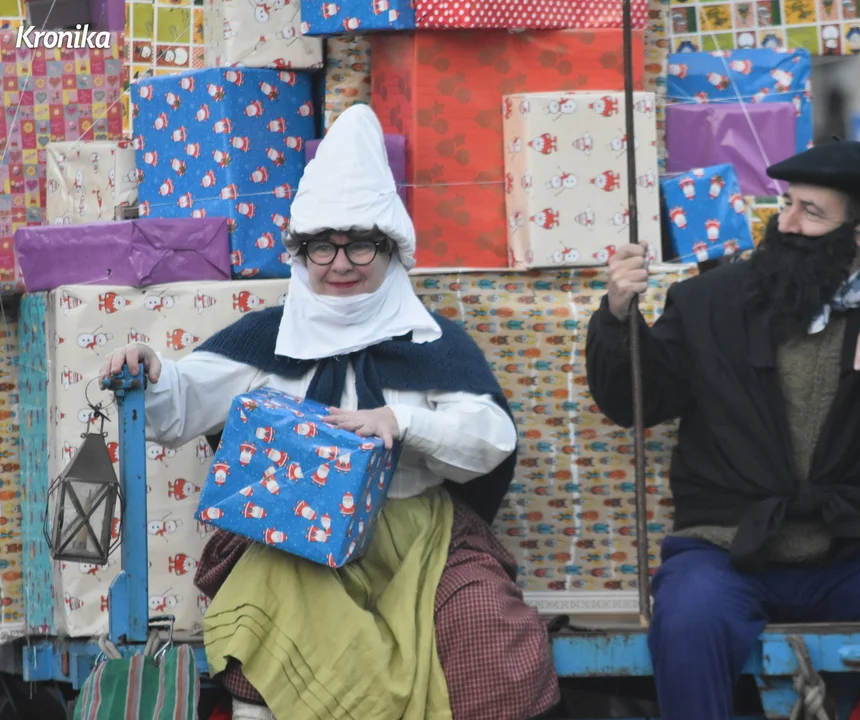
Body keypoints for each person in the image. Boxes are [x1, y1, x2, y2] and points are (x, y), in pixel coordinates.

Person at [100, 105, 559, 720]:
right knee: (264, 613)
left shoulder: (432, 343)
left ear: (391, 249)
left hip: (420, 542)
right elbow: (180, 404)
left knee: (486, 626)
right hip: (298, 541)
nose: (340, 264)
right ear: (301, 252)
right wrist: (152, 369)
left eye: (360, 244)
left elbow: (491, 438)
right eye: (322, 246)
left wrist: (402, 423)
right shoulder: (267, 338)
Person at [585, 139, 860, 720]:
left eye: (812, 212)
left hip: (845, 557)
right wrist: (617, 315)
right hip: (724, 556)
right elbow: (632, 401)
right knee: (689, 616)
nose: (788, 223)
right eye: (788, 204)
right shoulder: (708, 302)